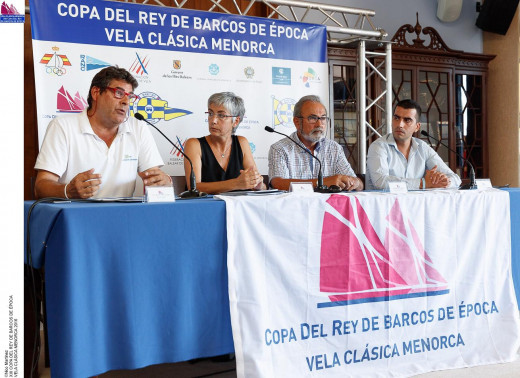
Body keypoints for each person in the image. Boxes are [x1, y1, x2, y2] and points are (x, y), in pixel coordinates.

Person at [34, 66, 171, 199]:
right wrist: (68, 191)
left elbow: (154, 177)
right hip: (76, 215)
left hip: (124, 216)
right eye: (119, 93)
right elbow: (41, 186)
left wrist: (164, 183)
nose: (125, 102)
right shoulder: (63, 127)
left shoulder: (138, 127)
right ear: (95, 93)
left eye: (129, 97)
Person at [268, 95, 363, 191]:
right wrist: (322, 183)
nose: (319, 124)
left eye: (323, 118)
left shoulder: (334, 148)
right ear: (297, 122)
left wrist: (354, 182)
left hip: (328, 205)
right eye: (313, 118)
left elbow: (358, 185)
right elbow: (278, 183)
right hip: (295, 205)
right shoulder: (280, 149)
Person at [366, 99, 461, 190]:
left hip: (415, 205)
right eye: (396, 118)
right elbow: (380, 182)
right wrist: (423, 183)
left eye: (407, 120)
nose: (400, 124)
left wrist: (443, 181)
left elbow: (455, 179)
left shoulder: (423, 147)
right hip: (385, 205)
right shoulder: (378, 146)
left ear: (417, 127)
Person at [183, 92, 265, 194]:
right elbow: (194, 187)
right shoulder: (194, 144)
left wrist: (258, 185)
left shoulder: (242, 142)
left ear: (235, 121)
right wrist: (236, 183)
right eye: (211, 113)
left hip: (238, 207)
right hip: (205, 207)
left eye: (221, 115)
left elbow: (260, 185)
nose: (213, 120)